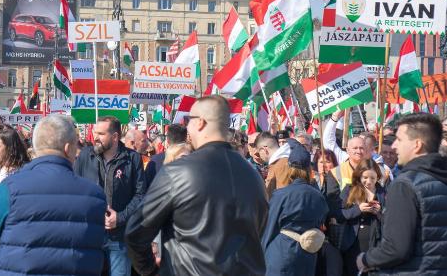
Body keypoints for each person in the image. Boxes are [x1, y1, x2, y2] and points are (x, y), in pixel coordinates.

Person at [126, 95, 268, 276]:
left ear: (200, 122)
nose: (186, 127)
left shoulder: (177, 172)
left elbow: (136, 232)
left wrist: (151, 271)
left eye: (188, 120)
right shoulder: (253, 175)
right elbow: (259, 229)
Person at [357, 113, 447, 274]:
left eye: (399, 139)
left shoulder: (404, 185)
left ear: (417, 145)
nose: (394, 146)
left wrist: (365, 259)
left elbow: (396, 248)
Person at [0, 114, 107, 275]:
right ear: (67, 148)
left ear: (36, 147)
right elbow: (97, 254)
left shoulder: (7, 189)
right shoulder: (95, 195)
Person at [75, 116, 146, 276]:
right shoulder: (86, 156)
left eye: (101, 133)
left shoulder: (132, 159)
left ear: (114, 137)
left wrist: (119, 218)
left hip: (119, 237)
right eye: (95, 132)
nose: (95, 137)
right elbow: (75, 188)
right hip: (90, 235)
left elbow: (140, 195)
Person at [262, 139, 329, 276]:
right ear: (309, 169)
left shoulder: (281, 195)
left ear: (289, 168)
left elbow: (269, 228)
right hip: (308, 254)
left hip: (282, 252)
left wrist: (261, 255)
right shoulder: (318, 196)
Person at [334, 159, 386, 276]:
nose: (369, 181)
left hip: (375, 244)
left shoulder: (383, 192)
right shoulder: (350, 189)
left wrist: (379, 213)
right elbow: (338, 214)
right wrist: (358, 209)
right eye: (365, 177)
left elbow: (390, 220)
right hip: (352, 243)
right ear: (359, 176)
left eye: (373, 178)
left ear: (377, 177)